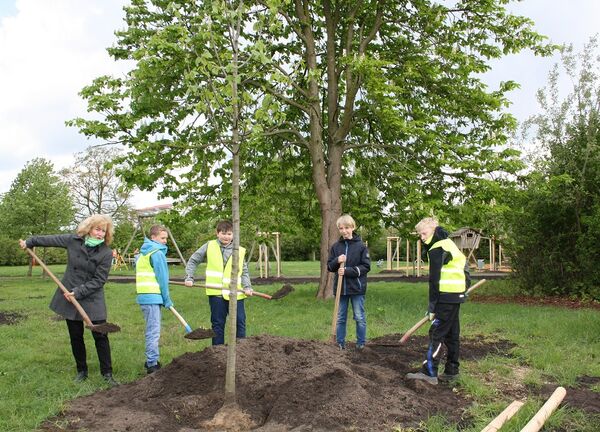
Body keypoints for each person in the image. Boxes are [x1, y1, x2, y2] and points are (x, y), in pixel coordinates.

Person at [19, 214, 118, 386]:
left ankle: (107, 373)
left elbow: (99, 280)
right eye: (97, 229)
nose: (100, 234)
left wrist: (78, 292)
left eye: (104, 231)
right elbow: (50, 239)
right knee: (75, 335)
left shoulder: (106, 253)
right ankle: (82, 371)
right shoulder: (73, 241)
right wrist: (30, 242)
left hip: (91, 296)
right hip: (68, 293)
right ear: (88, 229)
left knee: (101, 335)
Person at [406, 217, 470, 385]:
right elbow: (465, 268)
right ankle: (452, 371)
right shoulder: (449, 244)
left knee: (436, 333)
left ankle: (429, 372)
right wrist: (462, 291)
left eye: (424, 233)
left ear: (434, 230)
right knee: (452, 334)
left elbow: (434, 280)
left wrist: (432, 306)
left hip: (445, 297)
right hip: (455, 296)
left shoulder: (437, 247)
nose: (422, 237)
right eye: (419, 234)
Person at [184, 220, 253, 345]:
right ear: (217, 233)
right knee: (218, 324)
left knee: (240, 322)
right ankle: (217, 351)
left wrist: (247, 287)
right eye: (223, 233)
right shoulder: (209, 246)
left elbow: (244, 271)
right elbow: (193, 260)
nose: (226, 236)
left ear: (234, 235)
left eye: (229, 234)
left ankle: (242, 351)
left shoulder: (240, 250)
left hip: (236, 294)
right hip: (216, 294)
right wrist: (189, 277)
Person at [327, 214, 371, 350]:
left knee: (359, 317)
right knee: (340, 317)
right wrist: (337, 261)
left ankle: (361, 344)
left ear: (353, 227)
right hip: (341, 289)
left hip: (357, 288)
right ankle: (340, 343)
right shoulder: (336, 247)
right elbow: (330, 266)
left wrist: (347, 271)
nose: (344, 231)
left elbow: (366, 266)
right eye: (341, 228)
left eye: (347, 228)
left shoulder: (361, 247)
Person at [136, 225, 173, 374]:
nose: (165, 241)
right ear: (153, 237)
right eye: (162, 238)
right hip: (152, 296)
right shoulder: (157, 253)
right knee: (153, 331)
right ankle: (152, 364)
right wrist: (167, 299)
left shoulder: (143, 252)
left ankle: (151, 360)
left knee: (152, 329)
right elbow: (163, 279)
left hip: (144, 296)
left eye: (166, 238)